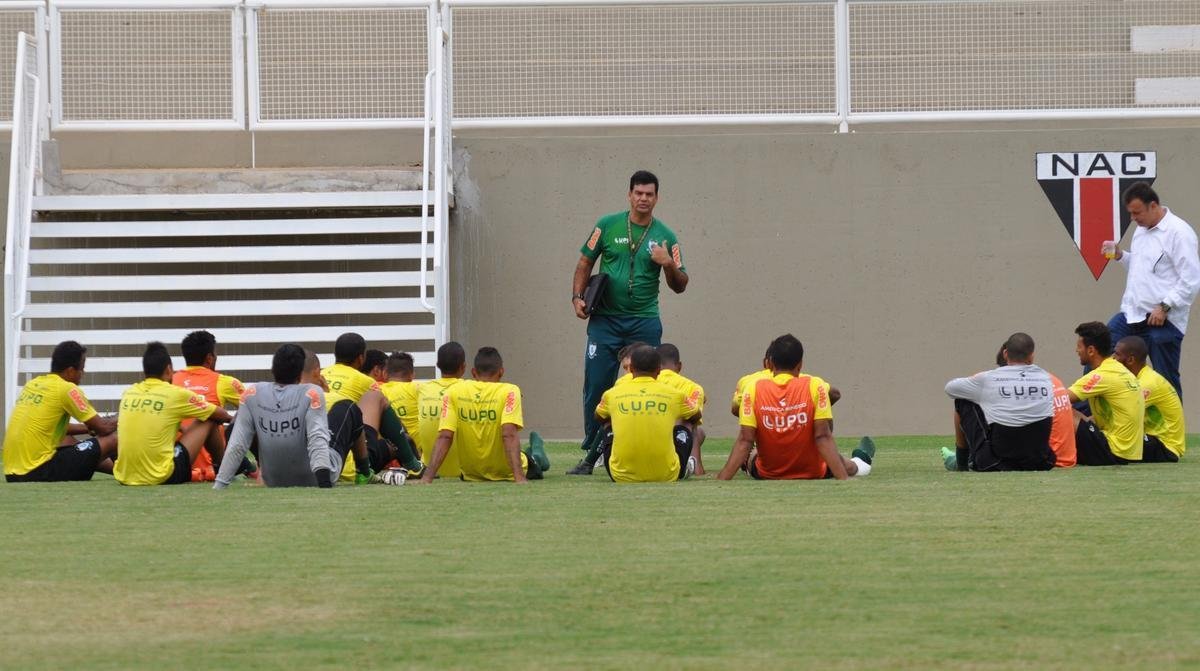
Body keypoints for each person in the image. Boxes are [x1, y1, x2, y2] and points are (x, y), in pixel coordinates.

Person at [570, 170, 689, 475]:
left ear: (657, 198)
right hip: (604, 320)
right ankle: (594, 451)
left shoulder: (666, 236)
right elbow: (585, 262)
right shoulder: (606, 225)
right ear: (629, 195)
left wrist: (669, 264)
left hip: (644, 321)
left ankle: (649, 444)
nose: (643, 199)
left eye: (649, 194)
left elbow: (681, 284)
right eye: (638, 193)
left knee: (646, 386)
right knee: (596, 384)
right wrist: (577, 297)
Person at [717, 335, 874, 481]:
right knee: (845, 463)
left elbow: (745, 440)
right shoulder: (814, 385)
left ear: (769, 363)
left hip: (768, 473)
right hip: (814, 471)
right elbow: (823, 437)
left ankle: (859, 459)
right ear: (800, 365)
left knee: (751, 455)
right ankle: (861, 461)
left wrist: (722, 479)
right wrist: (843, 479)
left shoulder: (752, 388)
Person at [1101, 182, 1200, 397]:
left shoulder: (1179, 233)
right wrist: (1120, 256)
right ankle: (1090, 423)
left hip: (1163, 320)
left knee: (1164, 380)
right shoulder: (1141, 230)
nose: (1133, 218)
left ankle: (1171, 431)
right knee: (1101, 349)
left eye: (1137, 213)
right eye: (1130, 213)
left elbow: (1191, 280)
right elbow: (1141, 268)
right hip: (1132, 314)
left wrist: (1165, 307)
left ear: (1153, 205)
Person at [417, 347, 550, 484]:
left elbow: (445, 436)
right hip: (507, 472)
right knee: (535, 462)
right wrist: (519, 478)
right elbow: (509, 434)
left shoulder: (453, 391)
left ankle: (534, 448)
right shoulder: (510, 391)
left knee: (522, 453)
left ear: (473, 372)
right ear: (501, 372)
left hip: (472, 474)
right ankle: (537, 451)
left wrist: (427, 477)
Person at [215, 345, 337, 489]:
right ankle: (365, 471)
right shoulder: (312, 392)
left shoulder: (252, 392)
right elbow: (317, 438)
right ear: (299, 374)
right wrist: (324, 484)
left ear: (272, 370)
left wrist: (220, 484)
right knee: (347, 410)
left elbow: (237, 444)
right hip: (313, 478)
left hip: (273, 479)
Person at [114, 342, 233, 486]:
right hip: (162, 476)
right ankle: (224, 470)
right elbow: (220, 414)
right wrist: (236, 422)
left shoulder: (129, 392)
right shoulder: (175, 393)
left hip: (124, 476)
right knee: (209, 418)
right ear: (169, 369)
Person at [3, 341, 118, 482]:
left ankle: (116, 470)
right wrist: (124, 417)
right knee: (113, 439)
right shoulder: (66, 389)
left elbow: (48, 427)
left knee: (67, 440)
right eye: (81, 368)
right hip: (39, 472)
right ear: (70, 371)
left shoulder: (33, 384)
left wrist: (87, 429)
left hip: (13, 474)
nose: (83, 373)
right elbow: (103, 428)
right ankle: (131, 472)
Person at [939, 333, 1056, 472]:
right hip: (1041, 461)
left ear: (1005, 354)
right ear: (1031, 356)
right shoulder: (1045, 378)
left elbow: (950, 388)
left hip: (996, 463)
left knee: (962, 400)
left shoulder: (989, 378)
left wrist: (976, 381)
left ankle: (961, 463)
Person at [322, 333, 424, 481]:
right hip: (350, 465)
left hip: (318, 460)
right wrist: (404, 437)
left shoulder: (320, 375)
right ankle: (413, 465)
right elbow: (386, 415)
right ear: (361, 358)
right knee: (379, 401)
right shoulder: (365, 381)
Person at [594, 345, 700, 483]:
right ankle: (683, 466)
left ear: (631, 369)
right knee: (687, 420)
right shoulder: (676, 395)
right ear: (658, 371)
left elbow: (598, 417)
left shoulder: (611, 394)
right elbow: (696, 415)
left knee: (608, 420)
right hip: (667, 475)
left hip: (620, 476)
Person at [172, 330, 252, 482]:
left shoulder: (170, 382)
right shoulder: (223, 382)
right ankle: (247, 467)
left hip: (177, 462)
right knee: (212, 417)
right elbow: (256, 405)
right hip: (211, 469)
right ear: (209, 358)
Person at [1066, 322, 1145, 465]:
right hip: (1127, 452)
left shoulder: (1102, 375)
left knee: (1061, 409)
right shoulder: (1116, 368)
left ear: (1091, 350)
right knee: (1073, 412)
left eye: (1079, 347)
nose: (1076, 351)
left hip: (1113, 450)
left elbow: (1059, 399)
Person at [567, 341, 645, 475]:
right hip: (664, 460)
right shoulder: (670, 387)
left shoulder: (622, 384)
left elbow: (600, 415)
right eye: (625, 368)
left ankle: (589, 463)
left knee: (609, 421)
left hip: (628, 462)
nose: (627, 373)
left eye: (630, 368)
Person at [1112, 335, 1186, 462]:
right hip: (1152, 439)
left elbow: (1119, 414)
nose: (1112, 358)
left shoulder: (1147, 383)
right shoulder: (1136, 378)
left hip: (1166, 448)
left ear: (1130, 360)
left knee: (1109, 441)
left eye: (1117, 355)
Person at [655, 343, 708, 475]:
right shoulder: (693, 388)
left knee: (700, 432)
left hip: (643, 442)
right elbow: (692, 422)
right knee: (693, 423)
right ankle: (697, 468)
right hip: (674, 443)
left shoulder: (642, 384)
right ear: (679, 366)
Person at [416, 342, 466, 478]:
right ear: (464, 367)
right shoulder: (469, 390)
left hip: (427, 470)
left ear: (437, 365)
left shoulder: (422, 389)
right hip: (463, 472)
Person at [379, 351, 422, 439]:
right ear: (412, 375)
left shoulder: (377, 391)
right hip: (417, 450)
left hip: (388, 449)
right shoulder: (419, 388)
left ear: (385, 374)